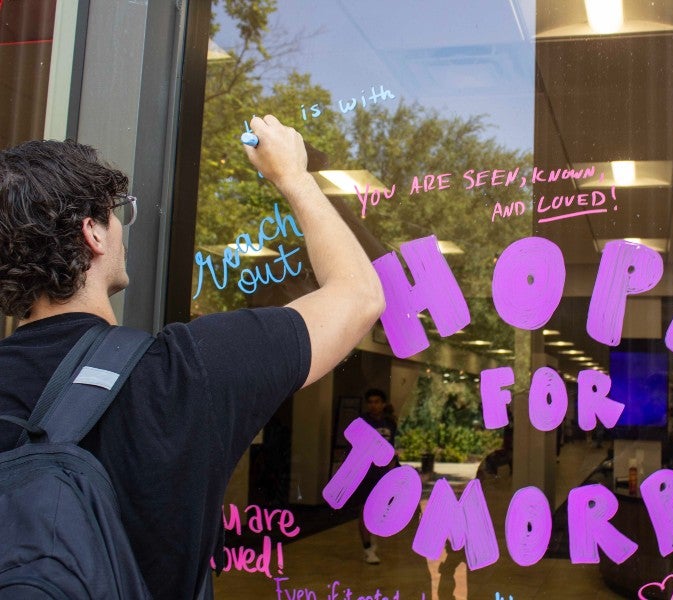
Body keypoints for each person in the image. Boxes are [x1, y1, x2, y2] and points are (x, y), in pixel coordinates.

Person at [0, 115, 385, 599]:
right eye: (115, 214)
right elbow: (359, 296)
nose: (121, 229)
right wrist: (293, 176)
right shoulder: (184, 371)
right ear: (92, 235)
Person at [354, 387, 398, 564]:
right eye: (370, 402)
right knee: (365, 510)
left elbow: (394, 448)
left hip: (384, 473)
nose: (373, 405)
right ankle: (367, 548)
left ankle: (372, 538)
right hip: (366, 472)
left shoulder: (390, 423)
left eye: (377, 402)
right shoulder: (362, 422)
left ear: (383, 404)